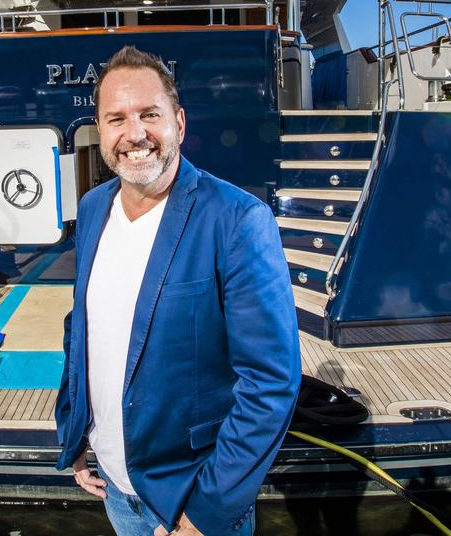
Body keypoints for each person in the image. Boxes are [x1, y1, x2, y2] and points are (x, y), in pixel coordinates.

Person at [56, 45, 300, 536]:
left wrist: (205, 516)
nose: (135, 134)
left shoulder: (237, 220)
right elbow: (81, 329)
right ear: (100, 131)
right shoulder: (93, 208)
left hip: (191, 500)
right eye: (116, 119)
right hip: (116, 490)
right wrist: (74, 430)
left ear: (179, 124)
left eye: (150, 114)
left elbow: (270, 383)